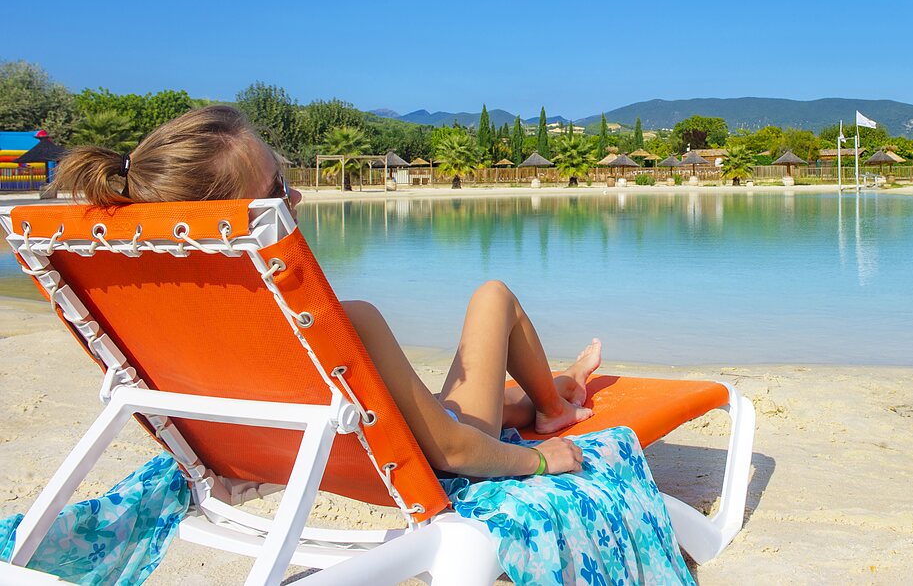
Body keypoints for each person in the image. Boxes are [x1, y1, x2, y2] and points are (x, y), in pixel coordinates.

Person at [52, 105, 598, 479]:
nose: (299, 198)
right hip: (431, 456)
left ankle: (551, 389)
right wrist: (541, 462)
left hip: (322, 455)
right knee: (493, 296)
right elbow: (454, 449)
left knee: (458, 401)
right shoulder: (339, 324)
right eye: (276, 191)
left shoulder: (165, 325)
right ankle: (551, 409)